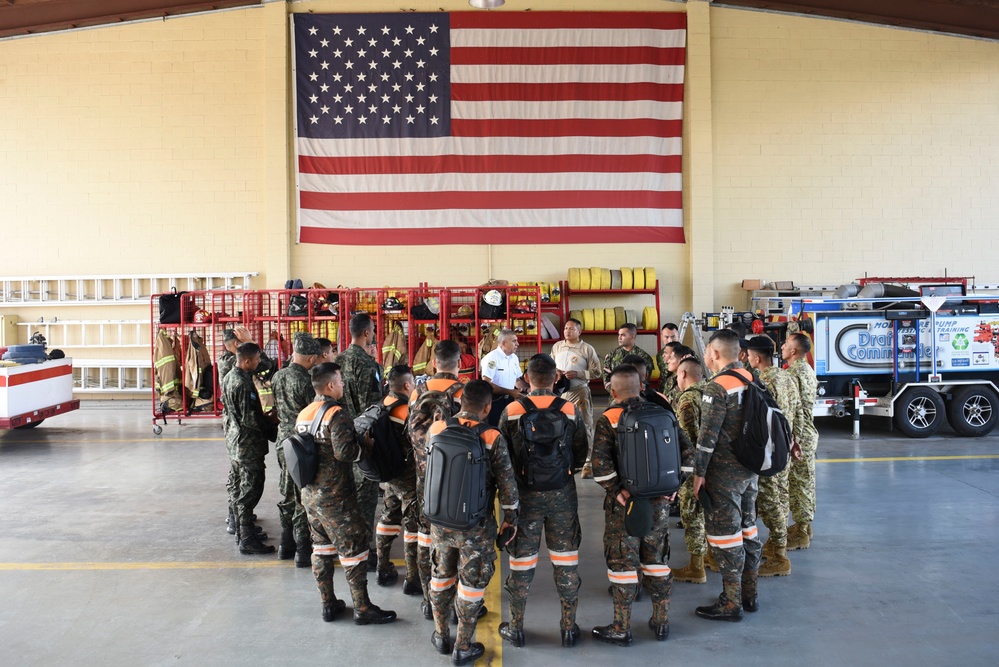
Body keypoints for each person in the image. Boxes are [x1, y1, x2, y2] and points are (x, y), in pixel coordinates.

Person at [496, 354, 588, 648]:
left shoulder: (512, 409)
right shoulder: (570, 409)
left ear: (528, 376)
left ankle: (516, 627)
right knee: (566, 562)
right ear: (555, 377)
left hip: (525, 497)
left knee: (521, 563)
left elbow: (503, 456)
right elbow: (580, 451)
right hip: (563, 495)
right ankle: (568, 628)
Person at [295, 362, 397, 625]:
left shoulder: (304, 413)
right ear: (330, 385)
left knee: (321, 548)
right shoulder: (336, 413)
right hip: (336, 496)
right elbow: (345, 453)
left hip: (310, 495)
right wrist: (366, 447)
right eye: (340, 381)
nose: (342, 385)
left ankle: (328, 603)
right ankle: (363, 608)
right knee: (354, 549)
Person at [427, 380, 519, 665]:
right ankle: (463, 646)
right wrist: (510, 519)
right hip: (475, 525)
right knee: (471, 585)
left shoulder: (437, 428)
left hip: (440, 521)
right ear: (488, 407)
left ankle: (441, 635)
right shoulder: (492, 436)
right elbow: (507, 486)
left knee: (441, 576)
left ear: (460, 402)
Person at [590, 365, 674, 646]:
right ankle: (661, 622)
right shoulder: (662, 413)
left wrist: (617, 491)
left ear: (612, 391)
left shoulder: (609, 418)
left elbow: (600, 466)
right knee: (657, 559)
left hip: (623, 506)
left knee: (623, 564)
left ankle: (621, 627)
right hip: (659, 503)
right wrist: (673, 488)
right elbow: (684, 453)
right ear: (642, 386)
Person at [692, 329, 762, 621]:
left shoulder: (717, 386)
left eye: (707, 351)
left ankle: (730, 602)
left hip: (724, 473)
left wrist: (698, 474)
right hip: (750, 469)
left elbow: (707, 437)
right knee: (748, 529)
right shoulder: (752, 378)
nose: (706, 355)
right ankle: (749, 593)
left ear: (715, 353)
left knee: (725, 536)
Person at [407, 340, 465, 620]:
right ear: (460, 363)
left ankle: (428, 599)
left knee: (425, 536)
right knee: (455, 537)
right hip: (457, 477)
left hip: (424, 475)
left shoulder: (418, 392)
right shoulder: (464, 391)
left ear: (433, 363)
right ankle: (456, 602)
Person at [745, 335, 801, 577]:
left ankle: (779, 555)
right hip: (785, 445)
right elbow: (797, 409)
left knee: (770, 502)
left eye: (748, 355)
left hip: (771, 448)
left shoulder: (763, 381)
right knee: (781, 495)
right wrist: (794, 440)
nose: (747, 359)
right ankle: (777, 544)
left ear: (756, 358)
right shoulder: (786, 376)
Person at [337, 312, 385, 565]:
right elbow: (373, 407)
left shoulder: (338, 361)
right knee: (365, 496)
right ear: (366, 333)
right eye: (373, 330)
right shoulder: (368, 365)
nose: (374, 334)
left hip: (339, 436)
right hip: (362, 438)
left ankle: (345, 544)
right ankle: (364, 551)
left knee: (345, 495)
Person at [270, 332, 321, 566]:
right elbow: (315, 413)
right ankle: (302, 548)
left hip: (283, 441)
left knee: (287, 492)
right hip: (302, 443)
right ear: (311, 358)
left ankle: (285, 543)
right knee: (302, 493)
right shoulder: (307, 382)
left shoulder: (278, 376)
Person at [221, 342, 275, 555]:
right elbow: (250, 418)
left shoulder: (229, 377)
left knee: (238, 483)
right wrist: (272, 425)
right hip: (247, 443)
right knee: (251, 487)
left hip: (235, 440)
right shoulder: (242, 384)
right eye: (256, 359)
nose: (259, 362)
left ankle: (240, 528)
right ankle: (246, 538)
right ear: (246, 361)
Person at [374, 365, 420, 592]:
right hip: (408, 476)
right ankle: (413, 579)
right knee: (413, 524)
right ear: (407, 385)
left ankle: (382, 566)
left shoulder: (381, 405)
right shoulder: (406, 411)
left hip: (388, 475)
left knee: (389, 515)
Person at [670, 357, 713, 584]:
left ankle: (696, 566)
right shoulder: (712, 390)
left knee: (692, 513)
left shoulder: (688, 399)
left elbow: (687, 440)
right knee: (710, 512)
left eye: (677, 374)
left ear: (684, 374)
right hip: (716, 465)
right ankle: (712, 557)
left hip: (695, 468)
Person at [550, 317, 602, 479]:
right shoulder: (557, 347)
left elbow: (597, 372)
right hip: (561, 393)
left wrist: (578, 374)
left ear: (579, 331)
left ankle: (588, 463)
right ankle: (564, 459)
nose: (568, 331)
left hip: (579, 392)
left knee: (585, 425)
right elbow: (550, 366)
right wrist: (556, 373)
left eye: (572, 328)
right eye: (566, 328)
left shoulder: (586, 349)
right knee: (561, 427)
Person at [782, 332, 819, 550]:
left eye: (786, 344)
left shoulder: (793, 374)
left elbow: (792, 409)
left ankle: (802, 531)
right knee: (804, 481)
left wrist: (791, 438)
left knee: (800, 483)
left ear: (794, 350)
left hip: (800, 435)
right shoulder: (806, 369)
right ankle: (803, 525)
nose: (783, 347)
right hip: (807, 432)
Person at [480, 328, 529, 426]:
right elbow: (486, 383)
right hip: (494, 402)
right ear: (504, 343)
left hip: (510, 399)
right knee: (496, 429)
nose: (517, 344)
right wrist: (509, 391)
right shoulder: (491, 358)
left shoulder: (514, 358)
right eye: (514, 341)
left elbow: (517, 380)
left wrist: (528, 389)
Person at [602, 324, 655, 389]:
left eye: (623, 335)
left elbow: (645, 382)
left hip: (637, 396)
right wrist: (618, 392)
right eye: (619, 335)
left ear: (632, 337)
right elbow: (606, 379)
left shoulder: (644, 357)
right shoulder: (611, 355)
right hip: (616, 396)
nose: (619, 337)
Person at [655, 323, 680, 392]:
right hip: (665, 392)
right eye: (666, 337)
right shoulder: (660, 355)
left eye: (673, 337)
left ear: (679, 336)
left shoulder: (688, 354)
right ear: (662, 337)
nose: (670, 340)